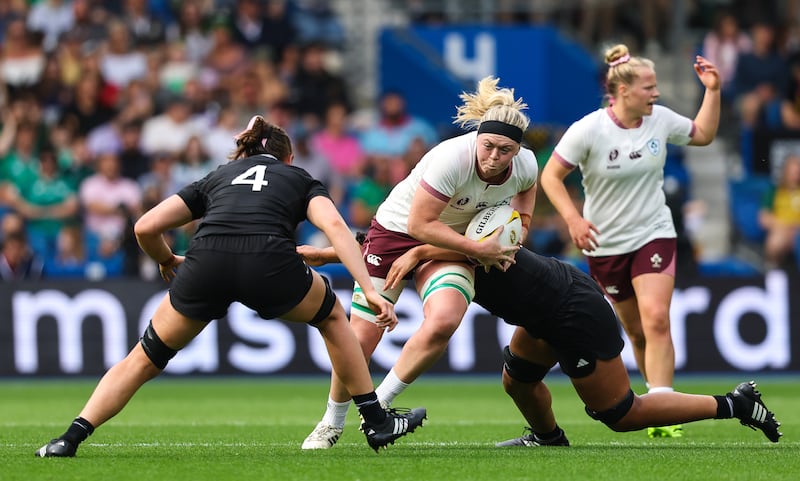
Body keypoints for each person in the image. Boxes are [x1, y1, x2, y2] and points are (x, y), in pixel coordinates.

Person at [35, 115, 426, 458]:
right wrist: (368, 289)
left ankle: (70, 437)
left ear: (244, 154)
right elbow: (336, 227)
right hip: (269, 263)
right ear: (287, 158)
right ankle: (375, 420)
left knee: (143, 358)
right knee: (332, 318)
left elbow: (144, 227)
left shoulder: (216, 177)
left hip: (207, 262)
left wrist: (167, 259)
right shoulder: (298, 177)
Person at [296, 243, 782, 447]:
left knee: (620, 414)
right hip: (542, 310)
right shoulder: (436, 234)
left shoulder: (473, 235)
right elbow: (376, 246)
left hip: (572, 311)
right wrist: (320, 253)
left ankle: (734, 404)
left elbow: (460, 249)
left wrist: (424, 249)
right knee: (517, 380)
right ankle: (548, 439)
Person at [301, 76, 535, 449]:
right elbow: (418, 226)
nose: (494, 158)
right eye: (488, 146)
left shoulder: (525, 166)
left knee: (444, 320)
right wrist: (481, 250)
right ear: (478, 138)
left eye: (505, 150)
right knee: (360, 340)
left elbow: (524, 206)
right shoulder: (452, 159)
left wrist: (514, 235)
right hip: (396, 234)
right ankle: (331, 421)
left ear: (517, 150)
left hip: (451, 244)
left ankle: (378, 408)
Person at [539, 45, 721, 438]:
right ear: (621, 91)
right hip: (605, 244)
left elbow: (703, 134)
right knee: (635, 330)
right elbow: (550, 176)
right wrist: (573, 219)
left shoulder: (659, 120)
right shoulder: (588, 129)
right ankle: (657, 406)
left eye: (655, 87)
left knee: (656, 317)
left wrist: (712, 90)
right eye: (648, 87)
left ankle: (663, 402)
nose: (655, 94)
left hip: (654, 233)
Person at [759, 154, 800, 269]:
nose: (795, 175)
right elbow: (764, 219)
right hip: (781, 229)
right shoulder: (773, 191)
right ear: (785, 172)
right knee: (776, 240)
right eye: (792, 172)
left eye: (797, 172)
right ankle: (771, 270)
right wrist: (785, 227)